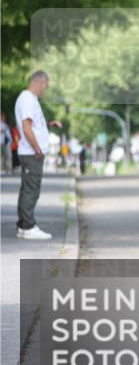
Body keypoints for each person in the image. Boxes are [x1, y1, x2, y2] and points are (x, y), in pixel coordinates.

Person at [14, 71, 63, 240]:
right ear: (40, 82)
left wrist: (49, 124)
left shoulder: (29, 99)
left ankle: (23, 225)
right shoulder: (27, 99)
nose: (45, 89)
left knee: (27, 189)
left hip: (30, 152)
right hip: (31, 153)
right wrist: (37, 149)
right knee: (31, 190)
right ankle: (28, 227)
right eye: (46, 86)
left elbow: (34, 125)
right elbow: (26, 127)